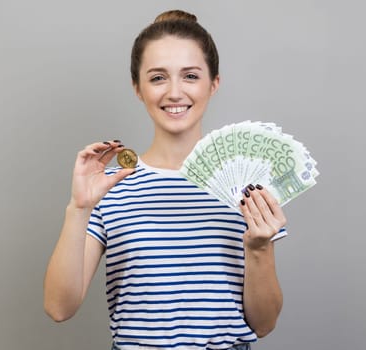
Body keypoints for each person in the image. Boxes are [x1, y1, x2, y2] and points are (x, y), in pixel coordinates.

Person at [44, 9, 287, 350]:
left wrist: (259, 248)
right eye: (158, 78)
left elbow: (264, 324)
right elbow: (59, 307)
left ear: (213, 84)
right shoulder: (108, 186)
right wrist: (79, 207)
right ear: (138, 88)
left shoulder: (247, 188)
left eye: (190, 76)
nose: (174, 92)